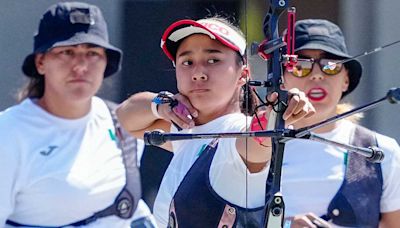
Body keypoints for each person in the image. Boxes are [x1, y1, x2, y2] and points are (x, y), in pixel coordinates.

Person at [116, 16, 315, 227]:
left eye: (213, 60)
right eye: (187, 62)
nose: (199, 73)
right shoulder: (186, 131)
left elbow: (257, 140)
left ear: (243, 74)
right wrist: (161, 104)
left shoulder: (237, 134)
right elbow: (124, 116)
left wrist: (277, 111)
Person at [0, 2, 156, 227]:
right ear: (41, 62)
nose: (81, 65)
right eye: (67, 52)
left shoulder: (123, 122)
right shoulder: (8, 133)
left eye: (92, 53)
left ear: (105, 63)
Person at [280, 19, 400, 228]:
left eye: (331, 66)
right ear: (281, 78)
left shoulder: (382, 150)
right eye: (300, 66)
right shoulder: (254, 145)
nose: (317, 75)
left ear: (346, 79)